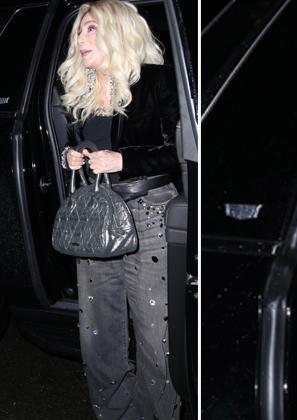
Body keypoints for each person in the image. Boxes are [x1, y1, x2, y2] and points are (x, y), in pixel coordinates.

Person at [56, 0, 181, 418]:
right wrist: (71, 156)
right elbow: (83, 145)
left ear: (116, 30)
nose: (80, 38)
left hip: (149, 213)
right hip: (97, 214)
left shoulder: (158, 81)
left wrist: (124, 160)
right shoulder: (81, 89)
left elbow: (181, 152)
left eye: (90, 28)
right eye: (78, 30)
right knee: (98, 336)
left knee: (156, 339)